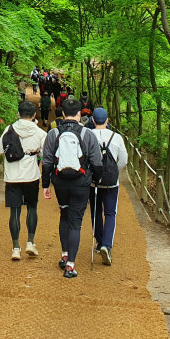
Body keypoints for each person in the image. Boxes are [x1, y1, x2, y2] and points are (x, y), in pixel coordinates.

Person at [42, 98, 103, 278]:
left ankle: (64, 254)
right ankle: (70, 266)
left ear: (62, 114)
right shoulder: (87, 134)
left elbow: (46, 162)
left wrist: (46, 184)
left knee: (64, 214)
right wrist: (96, 179)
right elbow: (97, 162)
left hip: (60, 181)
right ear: (79, 114)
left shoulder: (53, 133)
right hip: (81, 182)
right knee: (76, 222)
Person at [0, 100, 46, 260]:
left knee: (15, 211)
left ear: (18, 113)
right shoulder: (40, 133)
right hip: (31, 176)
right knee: (32, 208)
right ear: (33, 116)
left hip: (12, 176)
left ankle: (15, 248)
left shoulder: (8, 129)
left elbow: (0, 150)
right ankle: (30, 243)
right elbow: (46, 155)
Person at [89, 107, 127, 266]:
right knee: (110, 213)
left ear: (92, 120)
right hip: (112, 183)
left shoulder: (88, 135)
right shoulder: (116, 137)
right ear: (107, 120)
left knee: (96, 211)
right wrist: (113, 171)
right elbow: (124, 161)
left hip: (93, 182)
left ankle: (99, 243)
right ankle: (107, 245)